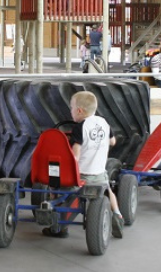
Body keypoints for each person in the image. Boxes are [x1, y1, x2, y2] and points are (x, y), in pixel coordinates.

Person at [46, 91, 124, 239]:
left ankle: (60, 226)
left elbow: (75, 157)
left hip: (81, 177)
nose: (71, 111)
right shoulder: (103, 122)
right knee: (109, 190)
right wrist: (98, 142)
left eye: (71, 108)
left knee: (60, 190)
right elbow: (113, 142)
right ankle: (118, 216)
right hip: (99, 174)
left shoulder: (80, 127)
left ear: (79, 110)